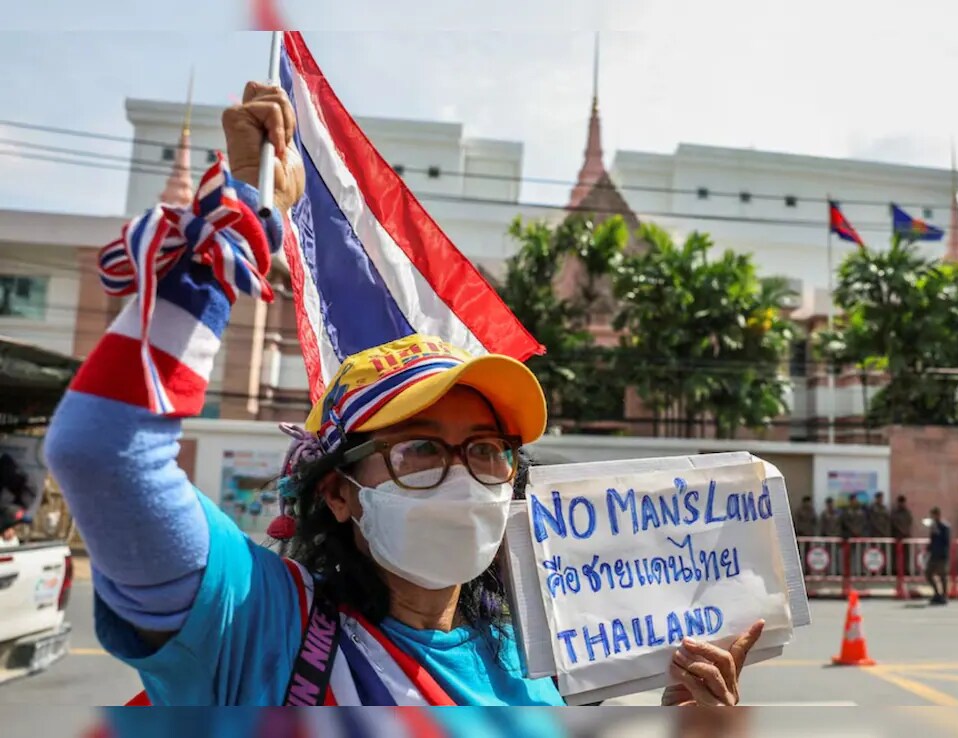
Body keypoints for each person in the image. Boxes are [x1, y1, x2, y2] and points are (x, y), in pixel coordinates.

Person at [42, 82, 763, 707]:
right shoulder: (256, 626)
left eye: (487, 451)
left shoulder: (528, 662)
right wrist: (247, 214)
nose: (464, 477)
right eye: (420, 449)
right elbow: (102, 452)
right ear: (340, 494)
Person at [925, 507, 951, 605]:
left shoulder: (945, 527)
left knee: (942, 576)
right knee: (928, 573)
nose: (932, 518)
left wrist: (937, 532)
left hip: (941, 555)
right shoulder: (933, 526)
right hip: (933, 554)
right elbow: (932, 539)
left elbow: (946, 541)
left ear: (938, 515)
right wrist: (929, 548)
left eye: (933, 515)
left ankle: (944, 596)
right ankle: (936, 593)